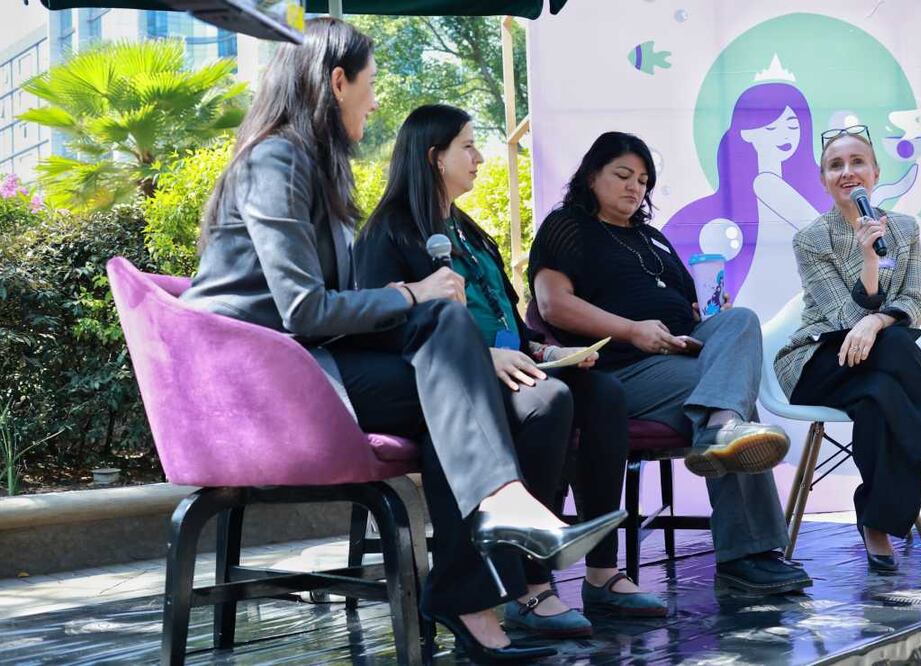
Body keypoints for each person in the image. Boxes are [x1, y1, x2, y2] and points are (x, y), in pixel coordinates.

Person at [179, 19, 621, 662]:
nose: (377, 99)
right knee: (456, 364)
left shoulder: (311, 169)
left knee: (452, 347)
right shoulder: (277, 158)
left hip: (307, 367)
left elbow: (335, 310)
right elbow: (303, 309)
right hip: (259, 385)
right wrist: (414, 294)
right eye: (371, 83)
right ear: (337, 82)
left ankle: (481, 567)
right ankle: (486, 550)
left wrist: (436, 312)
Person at [356, 104, 667, 639]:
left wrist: (546, 352)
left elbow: (508, 319)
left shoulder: (471, 232)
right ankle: (528, 583)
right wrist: (484, 360)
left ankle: (600, 570)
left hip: (512, 365)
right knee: (548, 402)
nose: (480, 158)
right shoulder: (389, 231)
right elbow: (384, 329)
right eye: (469, 147)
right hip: (452, 385)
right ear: (434, 158)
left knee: (604, 392)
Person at [529, 131, 812, 595]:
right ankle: (748, 550)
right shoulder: (567, 226)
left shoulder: (653, 239)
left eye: (643, 180)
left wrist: (699, 325)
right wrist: (633, 329)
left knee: (740, 320)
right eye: (622, 175)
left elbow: (695, 310)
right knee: (736, 411)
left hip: (681, 354)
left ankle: (719, 427)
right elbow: (554, 304)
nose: (634, 188)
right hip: (619, 367)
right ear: (591, 175)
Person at [774, 128, 921, 572]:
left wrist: (878, 318)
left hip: (877, 363)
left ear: (875, 171)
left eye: (857, 162)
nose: (847, 172)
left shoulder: (903, 229)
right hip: (817, 361)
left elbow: (914, 300)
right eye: (835, 165)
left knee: (882, 396)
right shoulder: (811, 238)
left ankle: (877, 523)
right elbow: (844, 317)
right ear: (824, 179)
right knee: (897, 344)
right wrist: (868, 266)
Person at [664, 81, 831, 319]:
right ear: (747, 132)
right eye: (772, 129)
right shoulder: (765, 183)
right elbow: (822, 232)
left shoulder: (776, 183)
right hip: (769, 294)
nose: (785, 136)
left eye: (792, 126)